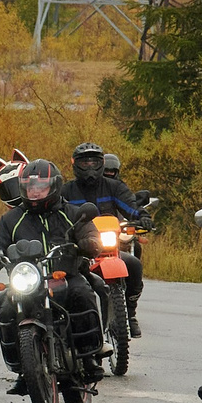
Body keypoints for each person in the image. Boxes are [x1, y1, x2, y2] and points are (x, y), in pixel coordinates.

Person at [0, 158, 101, 392]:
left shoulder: (71, 212)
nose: (34, 193)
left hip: (64, 274)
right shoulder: (12, 218)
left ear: (54, 186)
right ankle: (24, 370)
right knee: (5, 305)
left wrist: (88, 241)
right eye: (30, 188)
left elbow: (91, 234)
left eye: (40, 188)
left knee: (82, 293)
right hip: (27, 280)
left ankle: (89, 356)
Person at [64, 140, 146, 329]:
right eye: (85, 163)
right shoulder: (66, 191)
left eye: (94, 162)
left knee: (133, 265)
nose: (90, 167)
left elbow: (130, 205)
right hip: (80, 250)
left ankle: (130, 315)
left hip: (109, 248)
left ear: (102, 163)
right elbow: (57, 214)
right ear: (75, 164)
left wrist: (143, 217)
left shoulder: (113, 187)